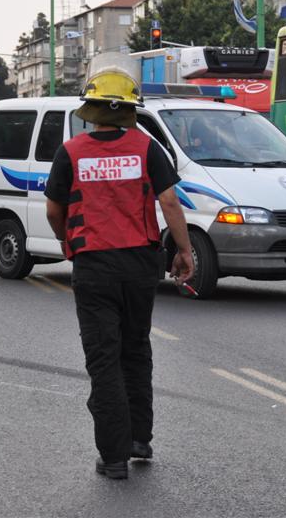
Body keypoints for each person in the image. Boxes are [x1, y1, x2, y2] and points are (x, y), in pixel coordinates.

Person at [44, 70, 194, 481]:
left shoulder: (71, 152)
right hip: (139, 265)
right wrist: (183, 250)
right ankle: (138, 439)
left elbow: (54, 210)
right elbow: (170, 203)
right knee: (135, 349)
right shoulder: (147, 148)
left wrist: (66, 240)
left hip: (94, 265)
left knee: (104, 358)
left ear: (91, 111)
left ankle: (113, 456)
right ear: (128, 111)